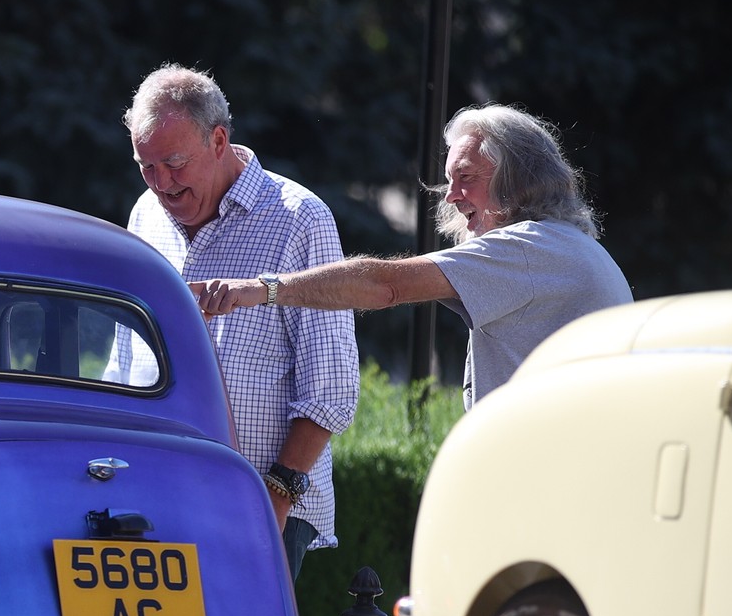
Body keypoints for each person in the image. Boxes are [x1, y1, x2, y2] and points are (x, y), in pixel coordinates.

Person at [193, 103, 632, 409]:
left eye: (466, 177)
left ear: (518, 179)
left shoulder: (530, 249)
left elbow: (385, 285)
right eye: (450, 180)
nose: (454, 196)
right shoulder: (566, 248)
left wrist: (257, 289)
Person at [115, 65, 358, 579]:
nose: (161, 184)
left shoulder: (299, 219)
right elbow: (124, 362)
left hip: (261, 502)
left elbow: (331, 389)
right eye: (146, 166)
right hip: (156, 495)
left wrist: (275, 499)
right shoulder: (145, 214)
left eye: (174, 163)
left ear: (219, 139)